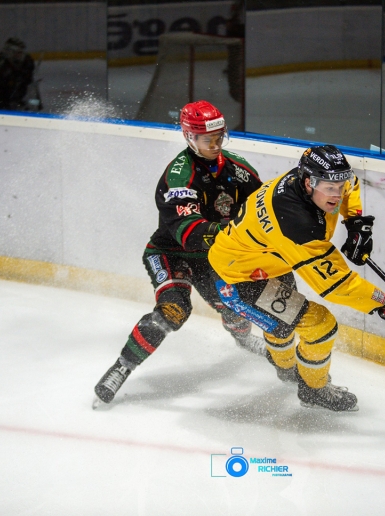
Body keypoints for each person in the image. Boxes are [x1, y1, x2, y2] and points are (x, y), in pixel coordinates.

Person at [208, 145, 385, 412]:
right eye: (329, 188)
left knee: (281, 327)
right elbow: (337, 286)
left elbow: (351, 184)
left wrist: (355, 222)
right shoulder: (297, 225)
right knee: (319, 325)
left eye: (340, 185)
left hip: (267, 262)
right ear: (308, 182)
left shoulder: (315, 179)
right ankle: (313, 389)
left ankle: (286, 369)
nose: (337, 194)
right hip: (238, 278)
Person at [93, 100, 264, 406]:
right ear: (189, 137)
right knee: (173, 311)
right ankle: (122, 367)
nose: (215, 145)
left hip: (214, 256)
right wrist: (237, 237)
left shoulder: (239, 169)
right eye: (207, 139)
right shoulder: (178, 177)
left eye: (219, 137)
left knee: (235, 307)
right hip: (172, 253)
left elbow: (262, 209)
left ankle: (241, 339)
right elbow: (190, 233)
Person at [0, 37, 36, 110]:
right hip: (3, 100)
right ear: (9, 52)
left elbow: (28, 81)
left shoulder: (27, 62)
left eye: (21, 52)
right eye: (18, 52)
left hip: (16, 98)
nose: (21, 55)